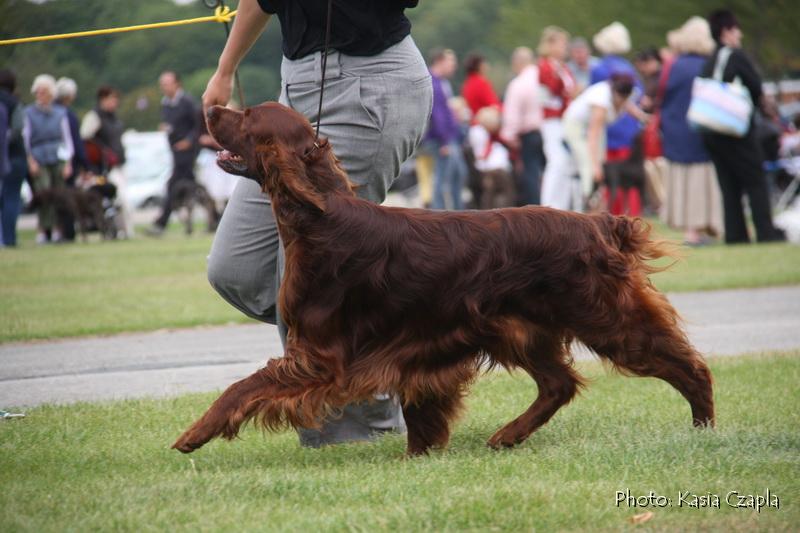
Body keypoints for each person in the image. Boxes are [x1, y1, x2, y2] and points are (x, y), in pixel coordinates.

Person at [204, 0, 432, 447]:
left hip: (372, 83)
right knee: (236, 268)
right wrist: (225, 67)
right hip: (296, 88)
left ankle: (361, 429)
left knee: (316, 280)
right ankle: (395, 342)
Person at [700, 9, 784, 243]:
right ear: (727, 31)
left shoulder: (711, 58)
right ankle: (766, 233)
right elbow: (755, 87)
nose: (740, 34)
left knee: (729, 185)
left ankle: (736, 236)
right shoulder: (735, 55)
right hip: (735, 130)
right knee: (755, 181)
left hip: (711, 131)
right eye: (736, 29)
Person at [660, 17, 722, 245]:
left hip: (676, 130)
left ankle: (690, 230)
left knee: (683, 180)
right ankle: (697, 231)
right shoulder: (707, 64)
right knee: (700, 179)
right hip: (700, 131)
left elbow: (663, 96)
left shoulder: (675, 65)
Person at [563, 73, 636, 202]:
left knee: (600, 164)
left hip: (597, 129)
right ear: (614, 92)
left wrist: (643, 117)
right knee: (589, 165)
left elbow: (628, 105)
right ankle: (587, 203)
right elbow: (593, 135)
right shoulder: (601, 100)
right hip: (577, 127)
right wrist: (595, 166)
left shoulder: (623, 94)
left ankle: (597, 201)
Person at [23, 74, 74, 244]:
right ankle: (44, 230)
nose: (40, 95)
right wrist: (30, 160)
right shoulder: (29, 113)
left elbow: (67, 139)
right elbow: (26, 139)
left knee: (59, 195)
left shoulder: (60, 113)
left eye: (44, 91)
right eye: (38, 92)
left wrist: (68, 162)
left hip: (58, 157)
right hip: (39, 157)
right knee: (43, 194)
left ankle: (59, 230)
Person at [148, 71, 200, 235]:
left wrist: (189, 141)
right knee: (189, 187)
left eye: (167, 83)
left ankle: (161, 223)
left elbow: (198, 125)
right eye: (162, 84)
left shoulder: (187, 102)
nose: (164, 87)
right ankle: (215, 215)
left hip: (187, 153)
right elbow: (171, 125)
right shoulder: (165, 104)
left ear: (177, 83)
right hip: (175, 153)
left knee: (173, 186)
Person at [590, 22, 644, 172]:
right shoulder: (629, 67)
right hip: (629, 124)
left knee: (609, 168)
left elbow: (593, 98)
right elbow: (639, 94)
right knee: (627, 168)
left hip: (608, 124)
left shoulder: (599, 68)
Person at [81, 85, 134, 237]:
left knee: (121, 201)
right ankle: (122, 231)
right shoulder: (94, 117)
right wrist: (100, 154)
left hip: (118, 164)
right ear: (103, 99)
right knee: (121, 200)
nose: (115, 102)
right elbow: (86, 139)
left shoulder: (113, 117)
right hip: (104, 167)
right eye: (112, 99)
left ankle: (124, 231)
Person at [537, 26, 577, 211]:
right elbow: (548, 95)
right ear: (550, 44)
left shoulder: (563, 67)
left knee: (567, 164)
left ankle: (562, 207)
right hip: (552, 120)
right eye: (562, 43)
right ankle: (548, 205)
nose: (565, 48)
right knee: (556, 161)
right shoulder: (545, 66)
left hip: (566, 119)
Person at [500, 46, 544, 205]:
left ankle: (535, 211)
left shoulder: (518, 84)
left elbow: (512, 114)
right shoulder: (542, 80)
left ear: (517, 62)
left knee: (530, 174)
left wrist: (509, 135)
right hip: (547, 131)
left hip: (529, 135)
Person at [427, 48, 467, 210]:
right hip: (442, 140)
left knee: (457, 174)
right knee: (443, 178)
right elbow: (437, 115)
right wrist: (444, 140)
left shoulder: (442, 82)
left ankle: (458, 212)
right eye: (451, 62)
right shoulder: (434, 83)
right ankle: (439, 214)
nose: (454, 66)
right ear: (440, 61)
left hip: (449, 138)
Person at [55, 77, 89, 242]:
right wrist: (84, 164)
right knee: (68, 198)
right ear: (70, 96)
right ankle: (68, 233)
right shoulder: (68, 115)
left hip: (48, 161)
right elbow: (76, 142)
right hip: (67, 163)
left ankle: (54, 232)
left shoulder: (48, 110)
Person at [0, 69, 27, 247]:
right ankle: (8, 240)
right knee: (11, 199)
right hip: (14, 157)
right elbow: (17, 130)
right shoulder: (14, 103)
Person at [461, 53, 501, 118]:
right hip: (485, 121)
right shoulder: (481, 83)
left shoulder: (467, 82)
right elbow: (493, 104)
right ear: (480, 66)